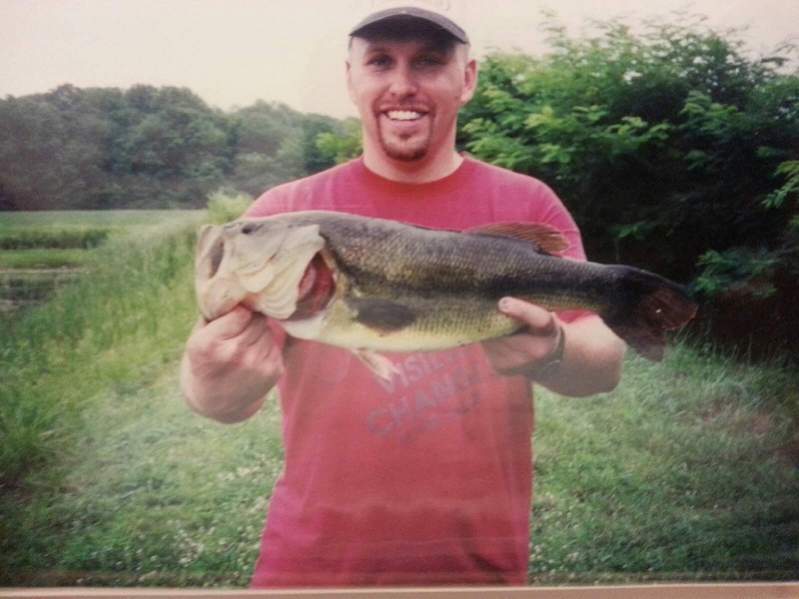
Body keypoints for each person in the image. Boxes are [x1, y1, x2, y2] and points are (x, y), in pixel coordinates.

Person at [180, 6, 626, 587]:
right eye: (380, 61)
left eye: (429, 62)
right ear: (351, 79)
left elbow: (605, 365)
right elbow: (214, 399)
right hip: (312, 567)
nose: (402, 84)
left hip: (476, 569)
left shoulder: (528, 204)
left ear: (467, 79)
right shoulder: (283, 216)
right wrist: (210, 378)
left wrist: (556, 348)